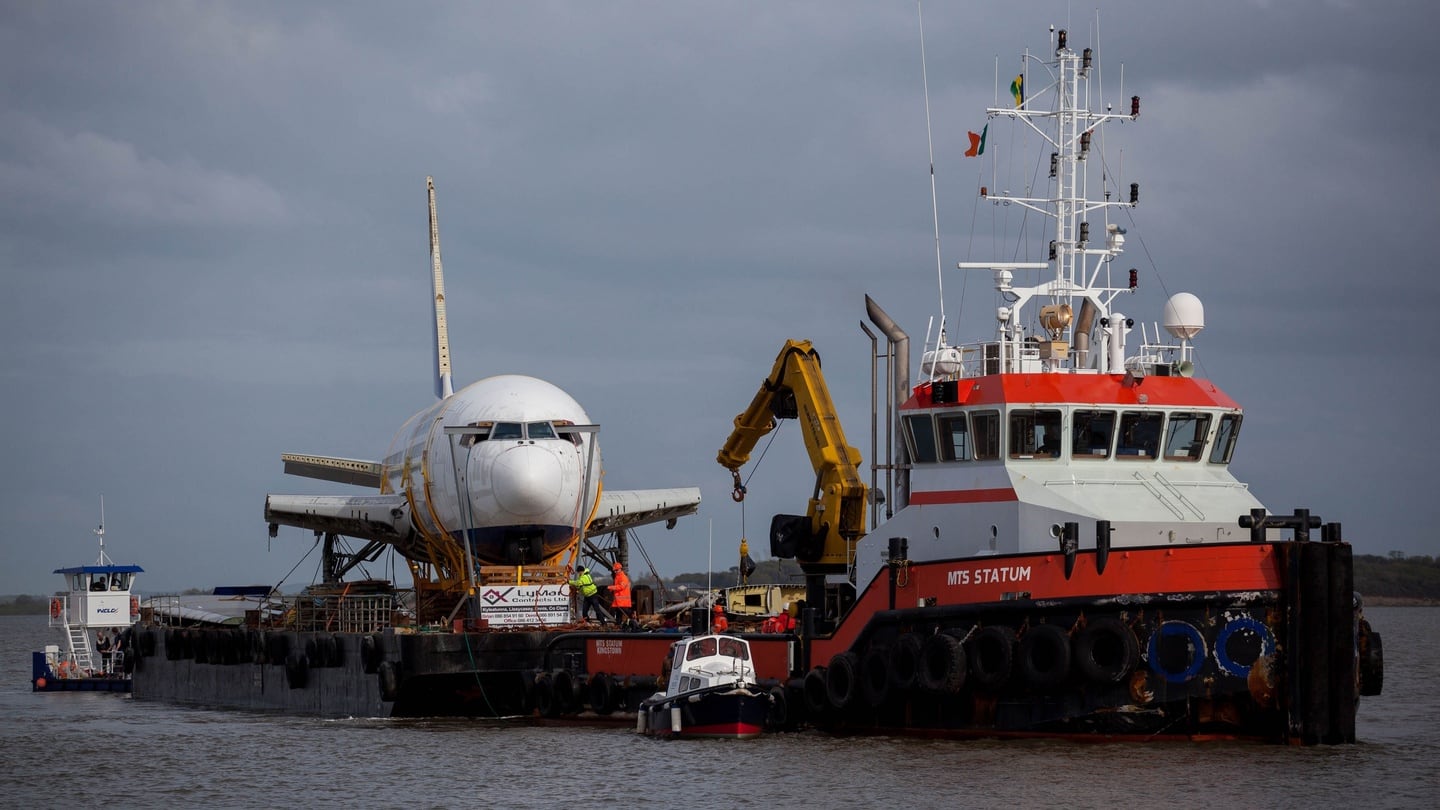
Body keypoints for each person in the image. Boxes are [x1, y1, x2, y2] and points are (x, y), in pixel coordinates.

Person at [608, 562, 634, 628]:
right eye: (614, 570)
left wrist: (611, 587)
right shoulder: (617, 577)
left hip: (623, 601)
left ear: (620, 569)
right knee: (618, 612)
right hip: (618, 600)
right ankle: (618, 625)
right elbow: (617, 586)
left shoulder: (623, 577)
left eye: (616, 570)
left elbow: (621, 587)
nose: (615, 571)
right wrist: (612, 589)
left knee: (625, 612)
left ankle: (633, 620)